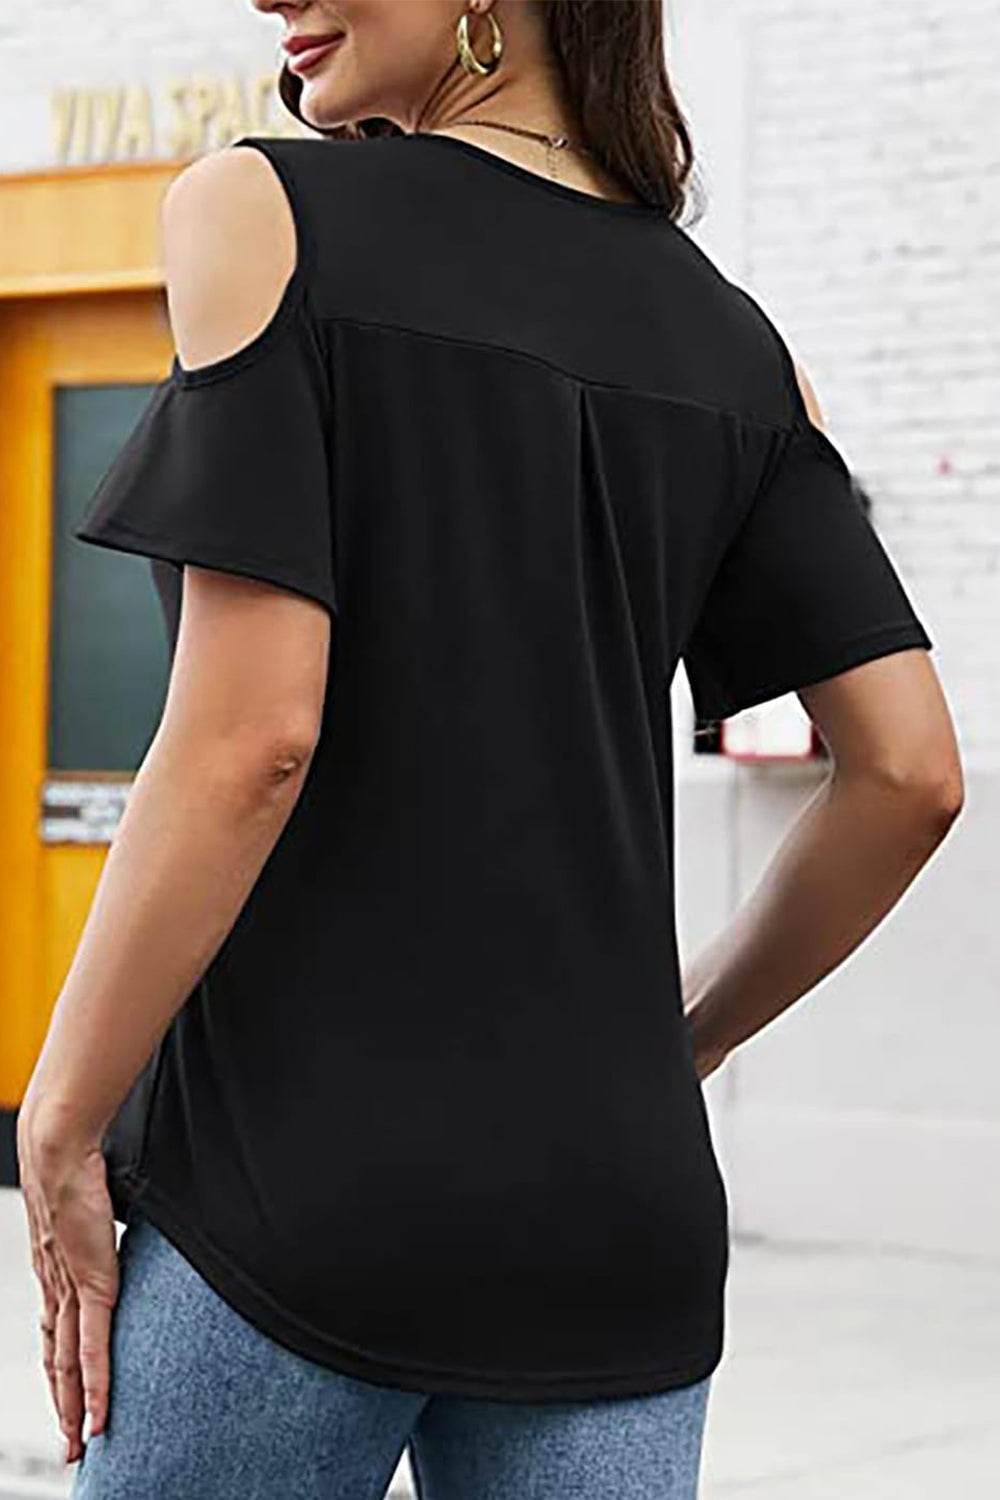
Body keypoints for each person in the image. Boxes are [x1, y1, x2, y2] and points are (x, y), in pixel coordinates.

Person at [17, 1, 963, 1496]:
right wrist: (681, 1041)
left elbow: (253, 737)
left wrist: (62, 1116)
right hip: (616, 1225)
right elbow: (909, 774)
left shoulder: (264, 211)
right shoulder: (737, 344)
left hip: (295, 1202)